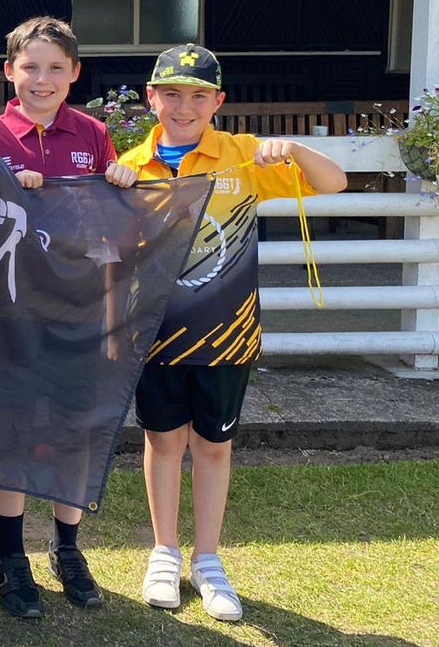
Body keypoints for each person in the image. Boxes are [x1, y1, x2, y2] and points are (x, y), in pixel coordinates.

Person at [119, 45, 347, 622]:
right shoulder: (132, 164)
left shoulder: (244, 156)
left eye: (199, 95)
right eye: (171, 93)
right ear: (152, 98)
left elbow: (334, 182)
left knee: (214, 447)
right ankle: (164, 550)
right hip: (157, 336)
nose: (184, 106)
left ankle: (208, 558)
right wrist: (111, 184)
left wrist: (291, 149)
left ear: (218, 101)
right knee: (162, 443)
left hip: (228, 335)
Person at [0, 16, 137, 617]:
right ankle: (11, 555)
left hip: (80, 308)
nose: (42, 79)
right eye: (30, 67)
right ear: (9, 72)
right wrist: (12, 189)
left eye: (55, 68)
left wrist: (120, 179)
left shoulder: (93, 133)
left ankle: (67, 547)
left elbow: (114, 228)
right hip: (13, 312)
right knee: (14, 432)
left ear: (74, 75)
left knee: (73, 432)